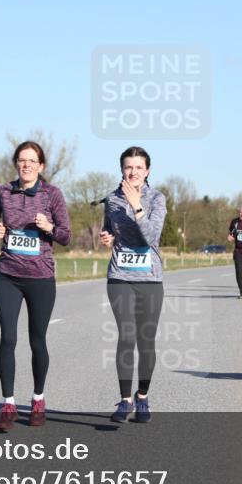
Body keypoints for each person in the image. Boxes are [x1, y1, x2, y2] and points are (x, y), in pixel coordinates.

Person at [0, 141, 71, 431]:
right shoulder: (2, 192)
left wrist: (49, 228)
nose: (26, 165)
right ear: (16, 163)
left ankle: (37, 400)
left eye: (32, 161)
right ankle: (8, 404)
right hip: (8, 275)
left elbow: (66, 236)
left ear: (41, 166)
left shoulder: (52, 195)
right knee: (8, 338)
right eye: (22, 160)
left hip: (41, 278)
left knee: (37, 340)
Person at [99, 147, 166, 423]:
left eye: (139, 167)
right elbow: (109, 230)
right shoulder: (112, 199)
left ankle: (142, 396)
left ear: (147, 171)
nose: (133, 172)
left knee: (145, 339)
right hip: (120, 276)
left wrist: (137, 206)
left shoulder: (157, 199)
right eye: (129, 167)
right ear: (122, 170)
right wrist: (107, 239)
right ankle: (125, 401)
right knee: (126, 335)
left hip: (149, 278)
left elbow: (150, 238)